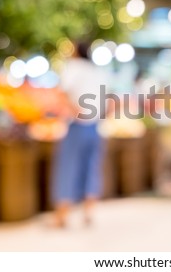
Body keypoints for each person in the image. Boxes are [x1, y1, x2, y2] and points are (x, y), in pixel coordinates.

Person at [52, 42, 109, 228]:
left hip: (78, 125)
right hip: (95, 126)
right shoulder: (96, 71)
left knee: (68, 169)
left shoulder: (74, 67)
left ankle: (62, 216)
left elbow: (63, 91)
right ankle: (88, 213)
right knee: (91, 169)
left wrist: (74, 110)